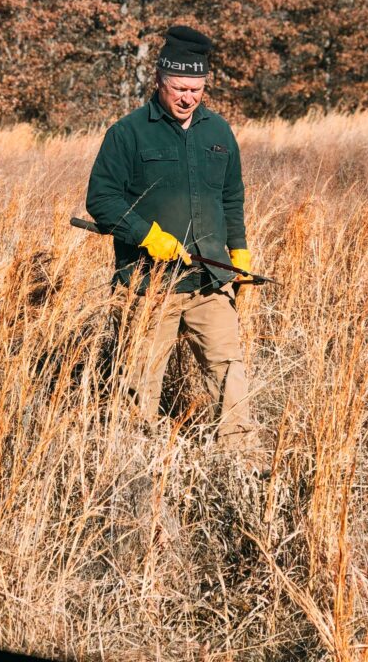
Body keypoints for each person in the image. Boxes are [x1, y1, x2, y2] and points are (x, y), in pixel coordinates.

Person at [86, 24, 264, 463]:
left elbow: (231, 197)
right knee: (137, 379)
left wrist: (237, 251)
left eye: (197, 89)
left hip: (210, 281)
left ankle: (240, 463)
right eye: (180, 88)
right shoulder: (127, 134)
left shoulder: (219, 132)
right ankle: (132, 464)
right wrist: (146, 235)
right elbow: (101, 200)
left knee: (230, 373)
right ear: (160, 82)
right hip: (149, 285)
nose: (188, 97)